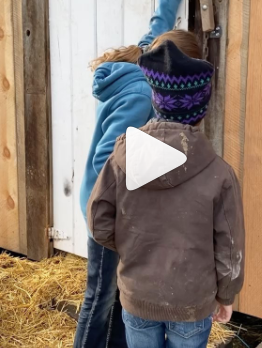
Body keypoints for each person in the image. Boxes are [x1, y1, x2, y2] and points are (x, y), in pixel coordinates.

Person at [87, 41, 245, 348]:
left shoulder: (121, 157)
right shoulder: (219, 174)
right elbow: (230, 247)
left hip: (138, 294)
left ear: (157, 101)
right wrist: (226, 295)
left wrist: (133, 248)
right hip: (191, 302)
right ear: (201, 110)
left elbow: (98, 221)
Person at [76, 1, 203, 347]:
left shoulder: (149, 54)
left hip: (119, 209)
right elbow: (109, 158)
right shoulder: (143, 94)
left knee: (122, 295)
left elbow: (157, 21)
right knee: (100, 297)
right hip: (107, 212)